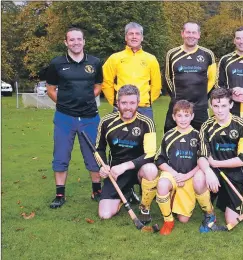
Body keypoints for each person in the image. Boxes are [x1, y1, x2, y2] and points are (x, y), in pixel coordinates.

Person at [46, 27, 104, 208]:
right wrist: (64, 103)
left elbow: (99, 85)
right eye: (72, 40)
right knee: (61, 155)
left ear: (84, 41)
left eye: (79, 39)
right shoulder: (56, 63)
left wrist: (86, 100)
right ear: (66, 42)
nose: (76, 43)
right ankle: (60, 194)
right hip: (65, 117)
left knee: (93, 154)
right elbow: (50, 89)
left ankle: (97, 191)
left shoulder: (95, 62)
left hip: (89, 117)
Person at [155, 100, 220, 235]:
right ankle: (168, 221)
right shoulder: (168, 135)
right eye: (179, 115)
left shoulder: (198, 136)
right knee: (162, 183)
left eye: (186, 115)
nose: (183, 119)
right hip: (172, 175)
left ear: (192, 116)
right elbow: (159, 159)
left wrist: (186, 176)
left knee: (184, 220)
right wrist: (175, 174)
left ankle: (209, 211)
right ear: (173, 117)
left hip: (190, 177)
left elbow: (202, 160)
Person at [95, 85, 158, 223]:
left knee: (151, 169)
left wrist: (125, 166)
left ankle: (145, 207)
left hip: (139, 168)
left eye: (132, 103)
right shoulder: (106, 121)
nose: (128, 107)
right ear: (117, 103)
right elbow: (98, 149)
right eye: (124, 103)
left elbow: (151, 154)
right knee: (104, 214)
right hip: (116, 172)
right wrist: (103, 166)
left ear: (138, 102)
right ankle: (126, 192)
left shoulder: (146, 122)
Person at [197, 88, 243, 227]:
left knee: (231, 222)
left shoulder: (241, 124)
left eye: (223, 106)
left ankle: (223, 200)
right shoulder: (206, 126)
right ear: (211, 105)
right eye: (216, 106)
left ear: (231, 105)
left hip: (234, 173)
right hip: (214, 172)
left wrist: (216, 163)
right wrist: (209, 171)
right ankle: (209, 213)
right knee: (199, 178)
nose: (219, 110)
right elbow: (202, 156)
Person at [164, 22, 217, 133]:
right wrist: (175, 97)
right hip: (177, 105)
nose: (191, 35)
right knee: (170, 136)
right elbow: (167, 77)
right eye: (188, 32)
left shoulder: (208, 54)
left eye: (194, 32)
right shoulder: (172, 54)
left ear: (199, 35)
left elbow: (213, 79)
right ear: (182, 34)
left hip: (200, 107)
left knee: (202, 139)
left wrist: (202, 96)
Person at [102, 22, 162, 120]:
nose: (134, 37)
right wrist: (115, 101)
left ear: (142, 37)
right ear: (126, 37)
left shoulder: (151, 59)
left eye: (137, 34)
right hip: (121, 108)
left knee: (147, 135)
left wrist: (147, 100)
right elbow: (106, 81)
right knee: (118, 135)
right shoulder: (115, 58)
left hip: (144, 108)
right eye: (131, 34)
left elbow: (156, 84)